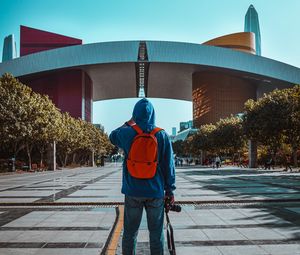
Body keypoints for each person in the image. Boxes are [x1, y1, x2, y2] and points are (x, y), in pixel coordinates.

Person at [109, 98, 176, 255]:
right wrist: (170, 191)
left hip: (132, 191)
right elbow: (169, 166)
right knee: (156, 234)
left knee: (130, 233)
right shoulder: (162, 135)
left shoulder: (127, 133)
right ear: (153, 114)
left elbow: (112, 136)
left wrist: (129, 123)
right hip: (156, 192)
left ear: (135, 114)